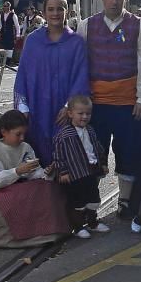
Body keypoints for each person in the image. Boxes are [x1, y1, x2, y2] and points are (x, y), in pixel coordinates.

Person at [77, 0, 141, 219]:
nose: (115, 1)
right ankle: (90, 203)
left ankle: (125, 200)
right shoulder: (86, 25)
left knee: (127, 151)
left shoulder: (138, 25)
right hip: (96, 102)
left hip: (127, 102)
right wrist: (81, 99)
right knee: (94, 151)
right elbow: (80, 63)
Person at [0, 110, 70, 247]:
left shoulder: (25, 147)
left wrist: (45, 173)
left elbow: (34, 173)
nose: (22, 138)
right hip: (4, 191)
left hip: (25, 188)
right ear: (4, 132)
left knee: (46, 189)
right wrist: (17, 171)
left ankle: (46, 231)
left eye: (23, 134)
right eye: (18, 134)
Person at [13, 0, 89, 166]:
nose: (55, 13)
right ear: (44, 12)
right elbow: (23, 75)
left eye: (60, 9)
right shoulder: (33, 41)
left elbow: (81, 77)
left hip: (64, 113)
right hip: (37, 110)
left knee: (66, 162)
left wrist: (69, 107)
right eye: (51, 9)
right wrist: (23, 108)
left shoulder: (76, 42)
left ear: (67, 11)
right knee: (37, 162)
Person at [51, 94, 110, 238]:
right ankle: (78, 227)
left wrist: (102, 163)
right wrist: (63, 172)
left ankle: (93, 222)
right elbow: (58, 155)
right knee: (77, 202)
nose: (84, 117)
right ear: (70, 114)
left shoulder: (90, 130)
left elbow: (98, 148)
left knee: (93, 198)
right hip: (74, 174)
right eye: (80, 113)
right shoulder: (64, 135)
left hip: (90, 171)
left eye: (88, 113)